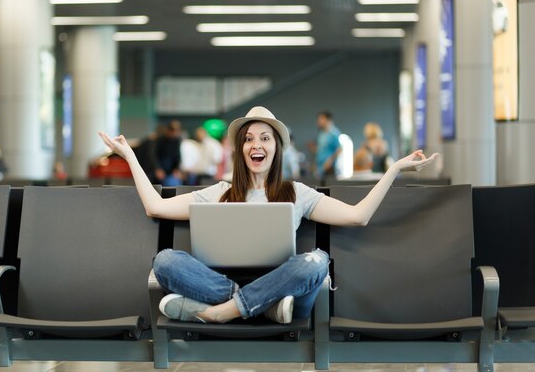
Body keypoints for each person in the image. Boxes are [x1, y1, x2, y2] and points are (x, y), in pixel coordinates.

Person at [98, 106, 437, 325]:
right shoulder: (219, 192)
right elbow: (155, 207)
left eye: (264, 138)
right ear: (241, 149)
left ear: (275, 147)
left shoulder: (296, 192)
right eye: (248, 139)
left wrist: (393, 169)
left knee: (316, 262)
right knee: (166, 261)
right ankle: (257, 307)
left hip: (288, 290)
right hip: (266, 299)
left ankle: (224, 313)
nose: (255, 144)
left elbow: (358, 216)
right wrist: (130, 157)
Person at [314, 111, 341, 180]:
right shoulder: (322, 133)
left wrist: (329, 162)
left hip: (329, 169)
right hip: (320, 168)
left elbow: (339, 149)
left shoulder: (333, 133)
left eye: (321, 119)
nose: (319, 121)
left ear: (327, 119)